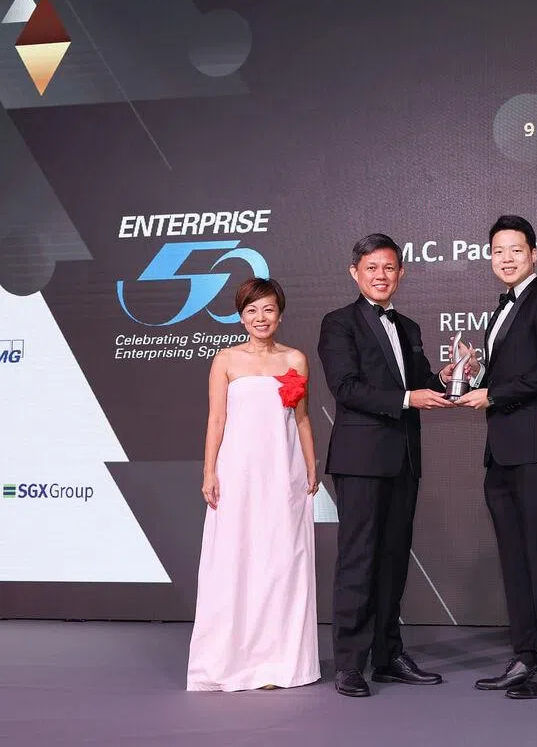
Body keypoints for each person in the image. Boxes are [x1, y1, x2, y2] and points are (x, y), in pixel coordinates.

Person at [318, 233, 464, 698]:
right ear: (355, 273)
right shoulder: (339, 323)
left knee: (394, 560)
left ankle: (387, 655)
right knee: (358, 560)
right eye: (372, 268)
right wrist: (407, 398)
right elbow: (346, 387)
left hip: (403, 459)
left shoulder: (410, 327)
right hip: (360, 460)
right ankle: (349, 663)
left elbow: (419, 384)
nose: (381, 276)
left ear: (401, 272)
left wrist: (446, 376)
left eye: (389, 268)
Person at [455, 214, 537, 700]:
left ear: (534, 254)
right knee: (514, 558)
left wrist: (494, 393)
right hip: (502, 451)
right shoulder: (501, 306)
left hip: (536, 448)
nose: (506, 258)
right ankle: (525, 654)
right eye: (498, 251)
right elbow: (509, 374)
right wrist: (471, 375)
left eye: (516, 250)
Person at [188, 277, 320, 692]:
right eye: (252, 310)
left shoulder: (295, 359)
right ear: (241, 316)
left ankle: (280, 663)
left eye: (268, 310)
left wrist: (311, 465)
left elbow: (301, 417)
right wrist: (209, 471)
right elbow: (216, 419)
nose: (260, 318)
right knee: (236, 559)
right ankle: (234, 660)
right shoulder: (226, 360)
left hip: (283, 473)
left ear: (279, 314)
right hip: (238, 474)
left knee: (283, 561)